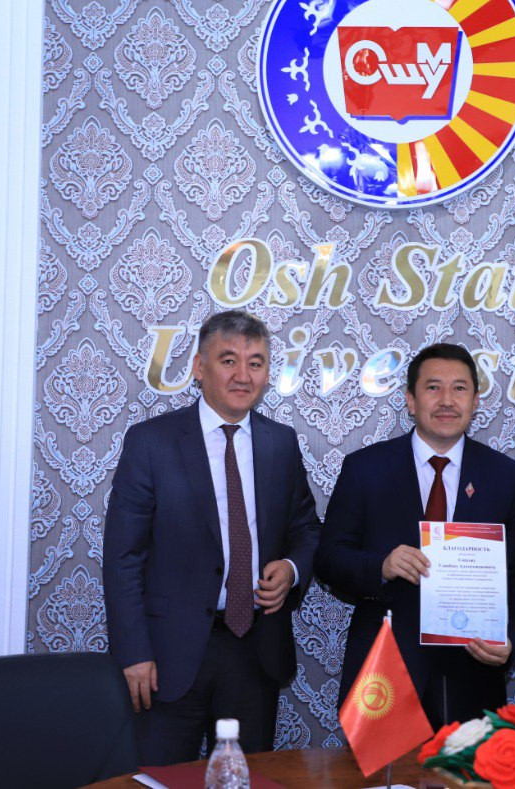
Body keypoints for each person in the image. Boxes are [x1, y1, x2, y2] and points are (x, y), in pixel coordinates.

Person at [103, 311, 321, 765]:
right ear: (199, 368)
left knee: (245, 777)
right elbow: (123, 556)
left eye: (256, 363)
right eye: (228, 360)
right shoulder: (151, 442)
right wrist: (134, 653)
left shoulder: (281, 443)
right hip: (168, 656)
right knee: (161, 780)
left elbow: (306, 529)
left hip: (254, 652)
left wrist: (292, 569)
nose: (243, 375)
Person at [314, 343, 515, 728]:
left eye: (459, 388)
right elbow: (328, 558)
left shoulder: (506, 477)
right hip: (384, 672)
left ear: (475, 401)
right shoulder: (365, 469)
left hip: (472, 675)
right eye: (433, 387)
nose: (447, 400)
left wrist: (510, 638)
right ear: (410, 400)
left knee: (469, 769)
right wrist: (381, 566)